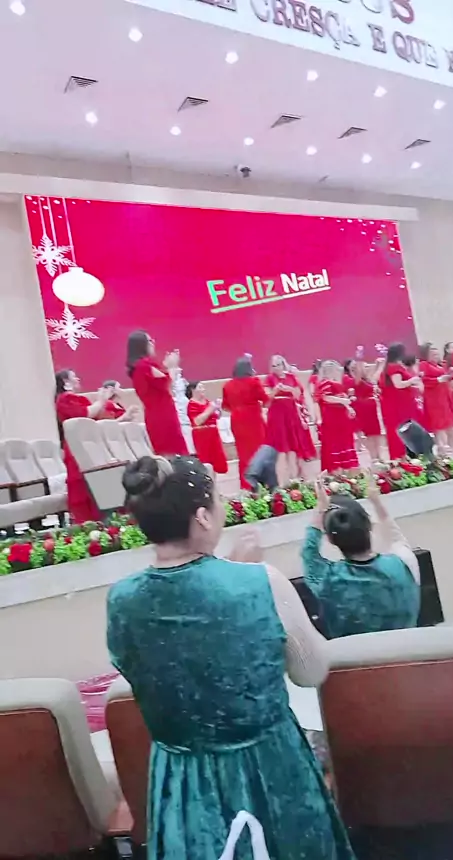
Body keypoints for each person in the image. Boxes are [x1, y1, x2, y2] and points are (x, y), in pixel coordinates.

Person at [107, 456, 355, 860]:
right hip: (269, 772)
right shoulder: (261, 582)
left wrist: (229, 573)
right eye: (217, 499)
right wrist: (236, 574)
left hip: (183, 784)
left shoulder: (122, 601)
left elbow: (165, 669)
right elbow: (311, 671)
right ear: (203, 517)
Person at [301, 473, 420, 639]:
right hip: (407, 651)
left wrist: (321, 508)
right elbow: (397, 539)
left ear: (330, 539)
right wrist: (376, 502)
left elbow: (308, 553)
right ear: (369, 525)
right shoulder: (402, 564)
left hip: (354, 655)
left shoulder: (328, 579)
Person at [55, 370, 115, 523]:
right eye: (73, 377)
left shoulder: (79, 398)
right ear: (66, 383)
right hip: (77, 447)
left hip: (91, 445)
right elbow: (85, 414)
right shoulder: (65, 399)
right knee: (84, 487)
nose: (78, 379)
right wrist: (100, 400)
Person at [127, 330, 188, 457]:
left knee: (171, 451)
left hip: (159, 413)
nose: (153, 343)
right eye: (150, 341)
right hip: (162, 415)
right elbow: (167, 384)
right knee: (172, 453)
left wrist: (168, 367)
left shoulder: (141, 366)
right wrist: (172, 367)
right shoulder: (143, 366)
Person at [265, 355, 316, 483]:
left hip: (291, 412)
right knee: (280, 445)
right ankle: (282, 479)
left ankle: (295, 477)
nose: (276, 368)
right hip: (277, 413)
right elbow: (266, 398)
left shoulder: (291, 377)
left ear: (283, 364)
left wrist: (290, 389)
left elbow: (298, 394)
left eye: (278, 365)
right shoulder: (269, 378)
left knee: (293, 445)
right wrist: (275, 390)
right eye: (273, 365)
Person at [222, 356, 269, 490]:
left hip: (237, 421)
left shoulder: (227, 385)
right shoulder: (254, 382)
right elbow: (265, 399)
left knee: (243, 454)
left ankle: (246, 484)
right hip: (253, 420)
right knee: (258, 451)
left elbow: (225, 406)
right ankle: (260, 481)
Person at [379, 342, 424, 460]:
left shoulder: (388, 367)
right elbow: (398, 384)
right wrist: (412, 380)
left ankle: (404, 456)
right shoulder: (394, 367)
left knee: (400, 429)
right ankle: (405, 456)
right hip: (400, 405)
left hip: (398, 403)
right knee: (405, 428)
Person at [315, 361, 359, 473]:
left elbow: (342, 399)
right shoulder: (325, 382)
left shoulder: (336, 383)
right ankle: (336, 470)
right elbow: (326, 397)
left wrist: (348, 407)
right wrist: (343, 401)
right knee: (334, 443)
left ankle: (346, 469)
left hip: (341, 417)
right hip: (332, 417)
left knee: (344, 442)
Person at [419, 344, 453, 452]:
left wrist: (449, 375)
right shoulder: (423, 365)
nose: (435, 355)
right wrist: (438, 380)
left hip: (444, 397)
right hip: (434, 399)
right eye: (433, 353)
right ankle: (442, 446)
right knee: (438, 423)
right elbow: (424, 380)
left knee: (449, 422)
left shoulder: (439, 365)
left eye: (437, 353)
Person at [344, 359, 383, 462]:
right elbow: (357, 381)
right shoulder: (350, 379)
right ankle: (374, 458)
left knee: (376, 433)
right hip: (362, 409)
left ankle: (379, 456)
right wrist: (359, 360)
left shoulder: (365, 379)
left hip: (372, 408)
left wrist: (378, 365)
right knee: (369, 434)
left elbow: (373, 380)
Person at [186, 381, 228, 475]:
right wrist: (210, 409)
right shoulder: (191, 404)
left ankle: (213, 478)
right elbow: (197, 421)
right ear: (193, 390)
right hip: (202, 435)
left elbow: (216, 416)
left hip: (213, 433)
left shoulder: (207, 402)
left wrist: (217, 408)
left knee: (216, 460)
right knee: (206, 460)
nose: (203, 389)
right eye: (200, 387)